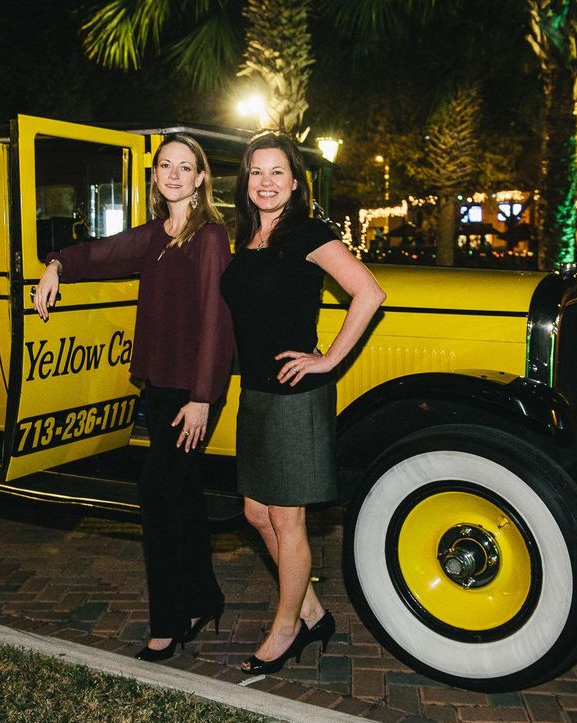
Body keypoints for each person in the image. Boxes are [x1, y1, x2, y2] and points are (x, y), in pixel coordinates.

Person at [33, 134, 233, 662]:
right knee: (184, 494)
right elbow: (100, 253)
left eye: (184, 167)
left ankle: (168, 622)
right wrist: (57, 265)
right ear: (156, 176)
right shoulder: (155, 235)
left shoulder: (209, 236)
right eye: (165, 165)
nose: (173, 174)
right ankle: (203, 597)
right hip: (163, 387)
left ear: (201, 178)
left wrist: (204, 397)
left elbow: (218, 318)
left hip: (195, 392)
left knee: (156, 493)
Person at [220, 132, 385, 676]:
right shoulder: (246, 237)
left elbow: (369, 292)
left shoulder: (308, 233)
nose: (265, 183)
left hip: (296, 395)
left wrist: (330, 359)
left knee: (288, 519)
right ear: (246, 182)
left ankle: (285, 629)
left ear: (295, 181)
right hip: (258, 393)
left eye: (277, 173)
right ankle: (312, 612)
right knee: (254, 511)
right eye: (256, 173)